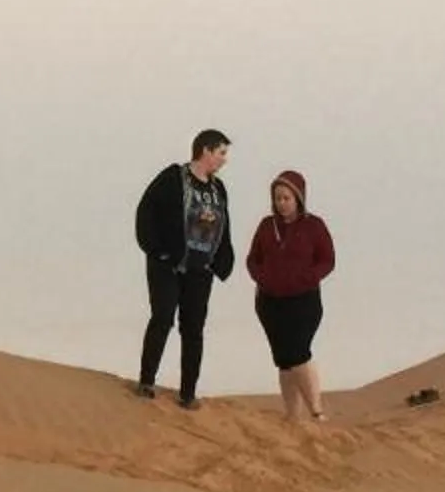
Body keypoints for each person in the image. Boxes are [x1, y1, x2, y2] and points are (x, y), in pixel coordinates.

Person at [133, 129, 233, 408]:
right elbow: (146, 211)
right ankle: (146, 381)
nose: (224, 160)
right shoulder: (173, 177)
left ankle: (188, 393)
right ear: (205, 151)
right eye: (221, 153)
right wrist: (158, 251)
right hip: (169, 265)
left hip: (201, 270)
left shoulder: (218, 188)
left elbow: (224, 225)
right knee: (162, 318)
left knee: (193, 329)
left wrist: (223, 259)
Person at [244, 169, 337, 423]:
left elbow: (327, 260)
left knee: (298, 352)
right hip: (270, 303)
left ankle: (317, 412)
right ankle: (292, 417)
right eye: (278, 198)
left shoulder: (314, 226)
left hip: (303, 301)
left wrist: (306, 278)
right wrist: (263, 277)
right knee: (283, 359)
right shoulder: (266, 226)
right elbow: (253, 259)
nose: (282, 203)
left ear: (298, 198)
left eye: (286, 198)